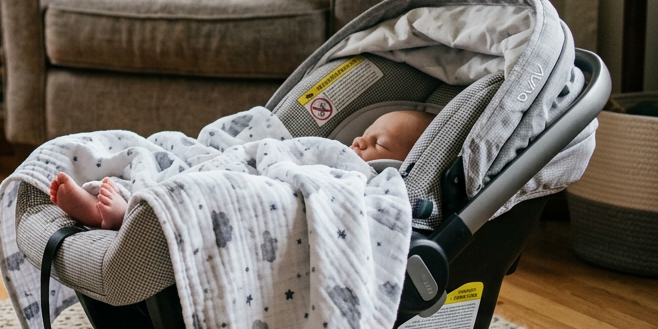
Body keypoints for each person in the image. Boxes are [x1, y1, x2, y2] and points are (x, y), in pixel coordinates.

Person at [50, 110, 435, 231]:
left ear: (397, 163)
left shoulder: (376, 186)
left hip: (272, 191)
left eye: (378, 144)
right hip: (259, 165)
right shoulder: (332, 155)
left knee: (218, 191)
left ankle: (129, 212)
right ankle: (125, 192)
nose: (359, 144)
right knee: (174, 152)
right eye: (363, 136)